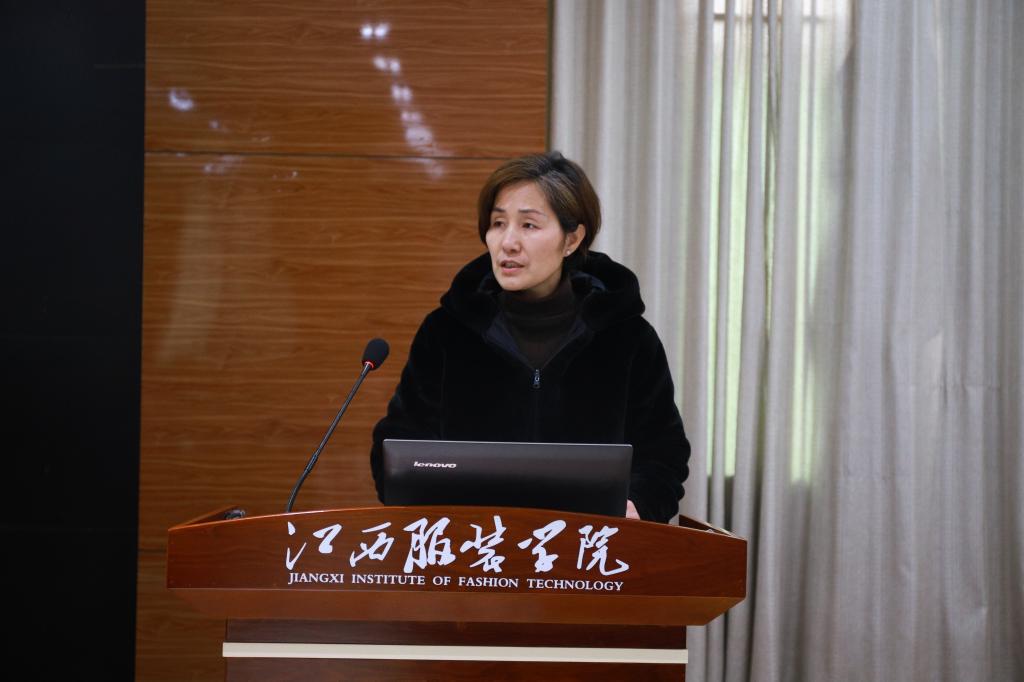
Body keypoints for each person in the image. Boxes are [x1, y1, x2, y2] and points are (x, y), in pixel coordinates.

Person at [370, 151, 690, 523]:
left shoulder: (627, 338)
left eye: (529, 225)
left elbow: (663, 455)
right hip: (473, 545)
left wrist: (639, 505)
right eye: (497, 223)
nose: (508, 242)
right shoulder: (446, 333)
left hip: (589, 546)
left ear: (572, 239)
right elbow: (397, 452)